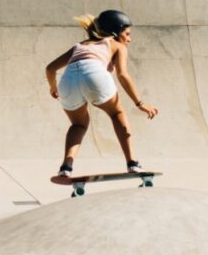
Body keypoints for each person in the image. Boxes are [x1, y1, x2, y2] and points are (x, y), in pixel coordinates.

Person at [45, 10, 159, 177]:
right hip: (94, 75)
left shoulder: (81, 45)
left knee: (78, 124)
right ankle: (132, 162)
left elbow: (50, 68)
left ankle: (66, 167)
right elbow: (122, 75)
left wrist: (53, 87)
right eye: (127, 34)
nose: (129, 39)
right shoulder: (117, 45)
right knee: (117, 113)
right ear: (115, 32)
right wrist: (140, 104)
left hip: (67, 81)